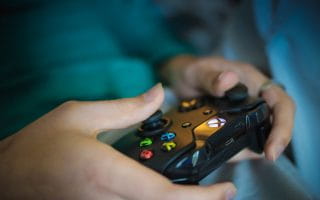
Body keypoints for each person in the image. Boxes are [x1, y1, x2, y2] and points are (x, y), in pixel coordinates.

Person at [0, 0, 295, 199]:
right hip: (35, 156)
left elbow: (145, 32)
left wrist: (181, 64)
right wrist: (9, 169)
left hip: (166, 112)